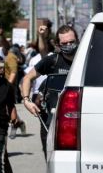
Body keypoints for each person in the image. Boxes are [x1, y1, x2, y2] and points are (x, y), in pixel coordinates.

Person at [20, 25, 79, 156]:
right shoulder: (53, 60)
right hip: (53, 123)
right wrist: (26, 100)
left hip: (81, 122)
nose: (69, 45)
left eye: (72, 42)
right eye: (65, 43)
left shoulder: (87, 59)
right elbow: (27, 78)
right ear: (58, 44)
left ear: (78, 40)